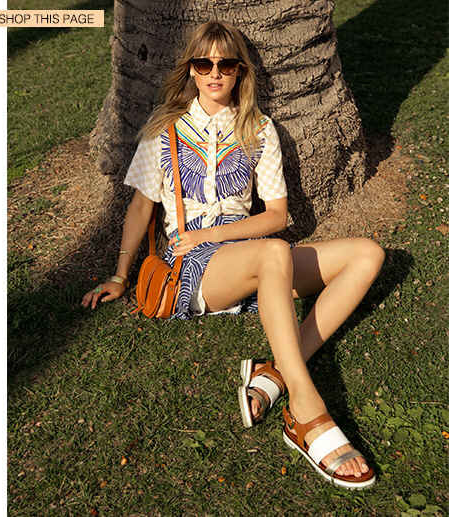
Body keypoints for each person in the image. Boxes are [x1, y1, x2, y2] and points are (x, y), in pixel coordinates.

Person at [82, 21, 384, 489]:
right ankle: (306, 409)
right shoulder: (164, 128)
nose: (215, 73)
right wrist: (121, 275)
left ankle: (273, 376)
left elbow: (276, 215)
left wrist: (216, 234)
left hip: (250, 255)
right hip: (192, 269)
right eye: (204, 64)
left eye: (226, 64)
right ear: (191, 70)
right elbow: (141, 206)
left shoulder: (259, 129)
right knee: (274, 255)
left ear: (241, 71)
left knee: (366, 254)